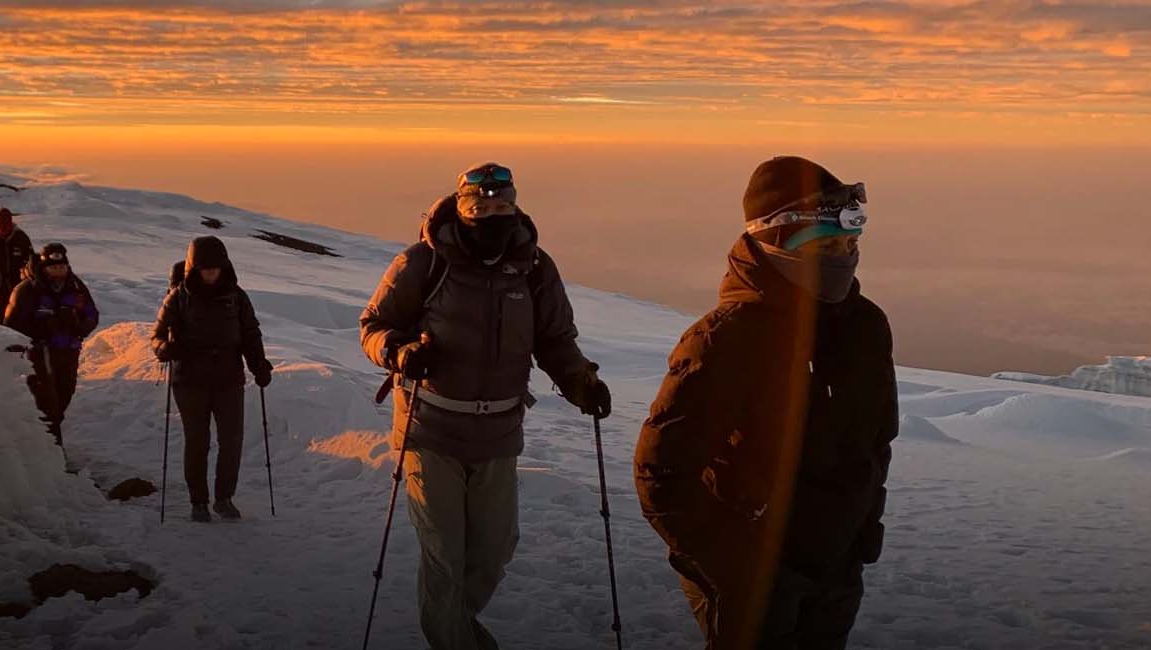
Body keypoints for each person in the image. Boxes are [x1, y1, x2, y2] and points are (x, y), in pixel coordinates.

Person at [635, 156, 896, 650]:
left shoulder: (864, 327)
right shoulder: (726, 338)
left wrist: (861, 535)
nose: (844, 257)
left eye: (850, 244)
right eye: (826, 246)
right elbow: (662, 474)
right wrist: (736, 566)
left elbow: (874, 439)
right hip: (751, 577)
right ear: (776, 245)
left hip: (834, 569)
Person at [359, 163, 610, 650]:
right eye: (480, 209)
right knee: (444, 554)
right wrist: (400, 351)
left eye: (501, 207)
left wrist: (580, 382)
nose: (491, 216)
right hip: (430, 428)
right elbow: (373, 325)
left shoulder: (535, 267)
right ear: (462, 208)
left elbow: (555, 339)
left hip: (498, 431)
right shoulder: (424, 263)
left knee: (493, 553)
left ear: (515, 206)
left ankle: (455, 626)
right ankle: (456, 640)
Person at [153, 236, 273, 523]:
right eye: (205, 268)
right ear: (194, 267)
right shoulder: (178, 297)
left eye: (215, 268)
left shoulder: (236, 296)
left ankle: (224, 498)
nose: (210, 273)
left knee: (231, 441)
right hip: (190, 380)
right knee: (198, 441)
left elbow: (250, 334)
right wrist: (165, 349)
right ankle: (199, 502)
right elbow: (157, 337)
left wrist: (259, 366)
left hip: (228, 379)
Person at [4, 243, 100, 443]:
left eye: (62, 267)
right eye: (54, 268)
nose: (58, 272)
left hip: (69, 351)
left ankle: (44, 443)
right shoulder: (28, 289)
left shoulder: (75, 286)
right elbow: (11, 325)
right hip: (40, 353)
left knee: (64, 395)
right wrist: (42, 329)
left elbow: (91, 313)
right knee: (48, 404)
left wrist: (79, 326)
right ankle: (52, 452)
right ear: (44, 267)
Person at [0, 207, 35, 319]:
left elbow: (32, 262)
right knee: (0, 321)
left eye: (4, 224)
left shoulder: (21, 238)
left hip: (18, 288)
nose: (2, 228)